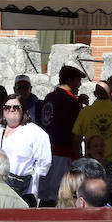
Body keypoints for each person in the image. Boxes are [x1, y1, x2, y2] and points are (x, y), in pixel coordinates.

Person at [0, 92, 51, 205]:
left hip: (24, 191)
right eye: (7, 107)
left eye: (16, 107)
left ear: (23, 110)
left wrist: (30, 178)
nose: (11, 110)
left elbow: (44, 163)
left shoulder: (35, 133)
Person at [37, 65, 86, 203]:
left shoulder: (49, 97)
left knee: (46, 195)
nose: (80, 84)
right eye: (78, 80)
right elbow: (76, 129)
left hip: (47, 152)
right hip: (63, 154)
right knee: (61, 195)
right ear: (70, 81)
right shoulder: (70, 101)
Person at [73, 81, 112, 166]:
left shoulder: (85, 113)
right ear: (111, 93)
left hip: (92, 164)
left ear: (95, 94)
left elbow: (76, 140)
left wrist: (80, 161)